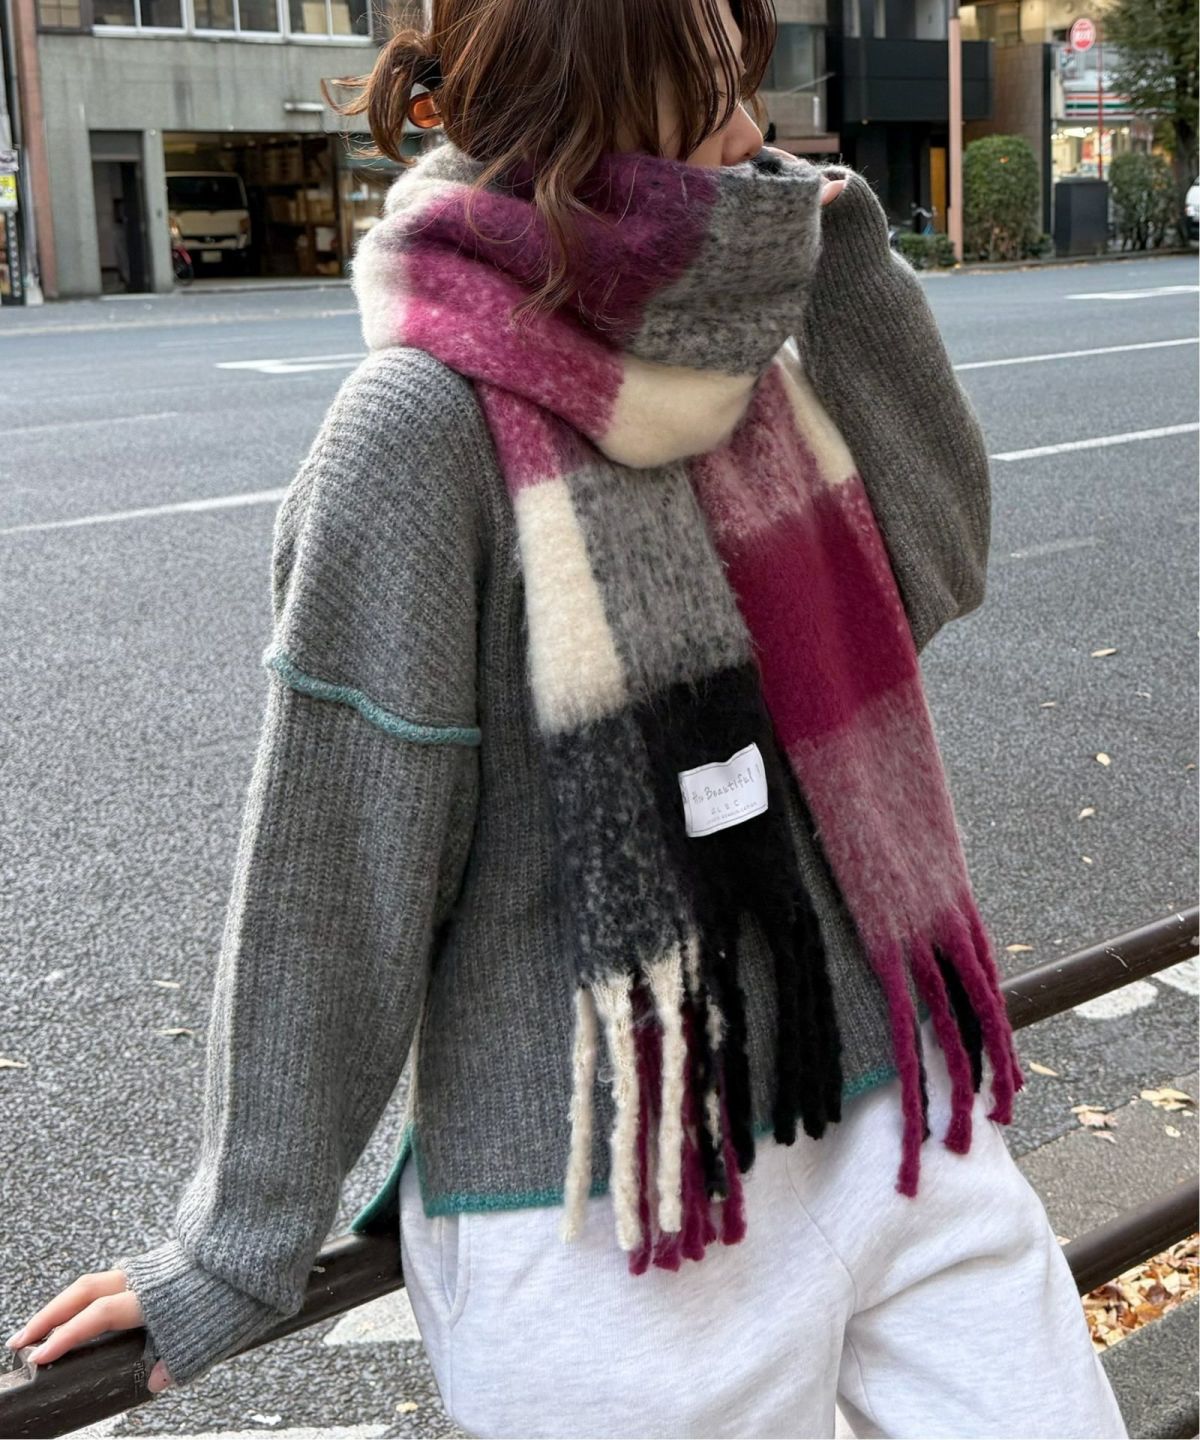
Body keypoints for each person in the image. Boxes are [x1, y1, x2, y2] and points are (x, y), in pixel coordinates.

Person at [5, 2, 1128, 1436]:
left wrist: (843, 258)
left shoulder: (738, 363)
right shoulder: (417, 431)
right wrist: (236, 1247)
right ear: (598, 80)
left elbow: (936, 568)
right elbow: (340, 863)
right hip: (610, 1204)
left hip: (892, 1120)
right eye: (710, 57)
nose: (751, 97)